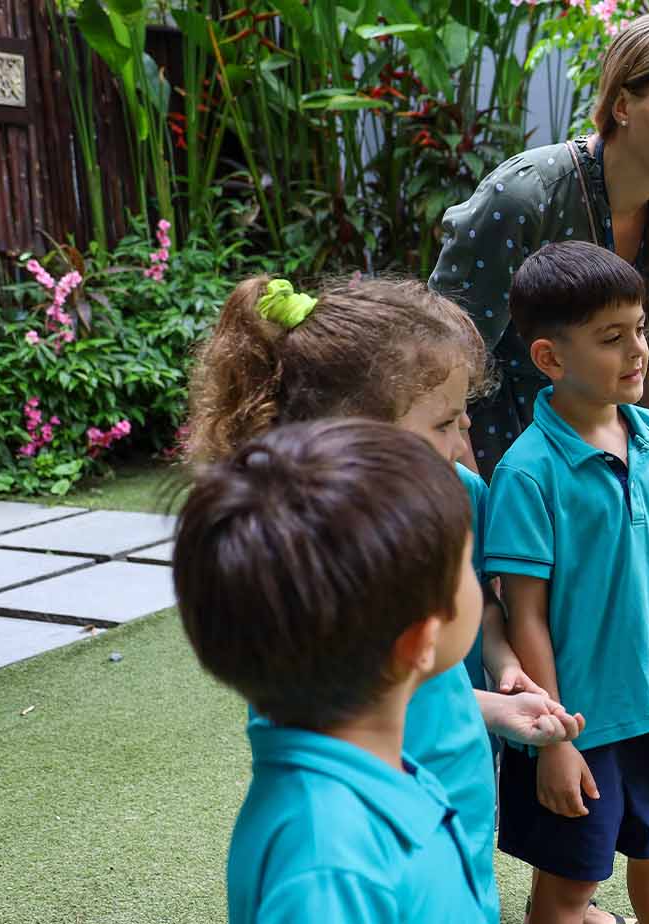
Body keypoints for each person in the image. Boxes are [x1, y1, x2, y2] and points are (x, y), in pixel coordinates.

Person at [185, 276, 581, 924]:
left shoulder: (381, 758)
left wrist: (493, 711)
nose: (463, 445)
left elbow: (383, 684)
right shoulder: (327, 865)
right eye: (446, 422)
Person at [485, 242, 649, 924]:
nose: (638, 351)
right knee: (565, 892)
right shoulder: (528, 473)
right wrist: (554, 741)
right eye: (611, 338)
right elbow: (523, 617)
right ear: (550, 359)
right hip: (577, 723)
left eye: (640, 329)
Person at [430, 11, 649, 482]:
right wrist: (475, 505)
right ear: (622, 105)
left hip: (601, 458)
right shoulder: (524, 197)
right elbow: (444, 362)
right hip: (501, 456)